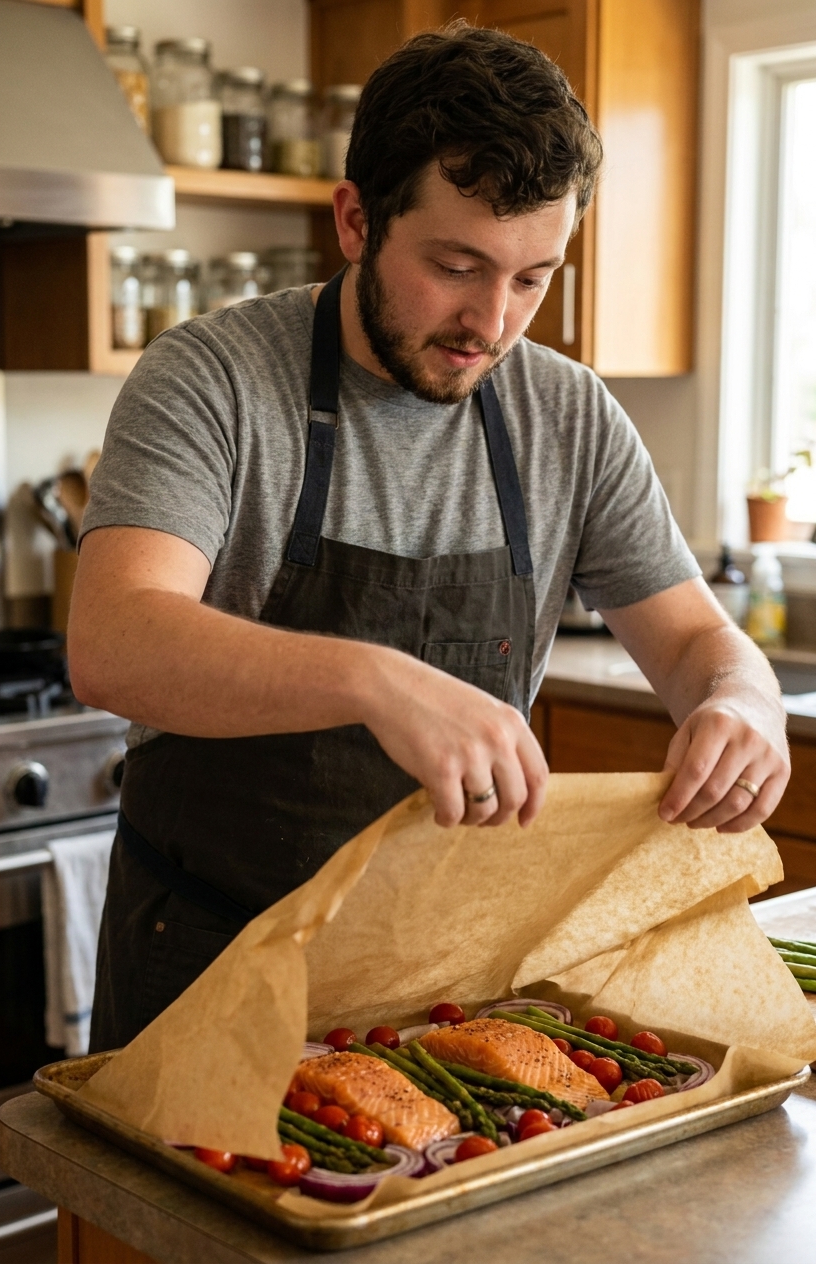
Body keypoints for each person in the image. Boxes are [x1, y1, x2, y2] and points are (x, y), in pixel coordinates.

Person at [70, 24, 790, 1052]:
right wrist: (377, 679)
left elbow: (691, 644)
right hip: (210, 960)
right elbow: (116, 640)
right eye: (456, 266)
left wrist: (744, 703)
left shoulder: (568, 416)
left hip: (453, 983)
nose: (491, 323)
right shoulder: (212, 380)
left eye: (534, 278)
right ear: (356, 220)